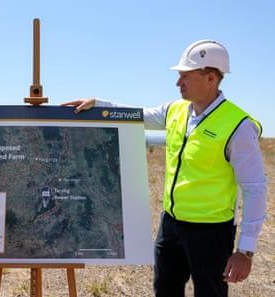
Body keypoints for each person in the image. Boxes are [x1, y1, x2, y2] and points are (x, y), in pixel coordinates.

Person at [62, 40, 267, 297]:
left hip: (211, 233)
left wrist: (245, 251)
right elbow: (137, 116)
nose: (178, 83)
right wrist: (99, 104)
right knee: (165, 290)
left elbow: (255, 189)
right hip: (170, 226)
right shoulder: (175, 110)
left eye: (185, 77)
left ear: (211, 78)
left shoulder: (238, 126)